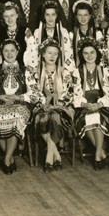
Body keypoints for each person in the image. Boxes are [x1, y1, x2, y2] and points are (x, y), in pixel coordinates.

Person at [0, 40, 40, 174]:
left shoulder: (26, 70)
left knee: (16, 116)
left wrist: (19, 98)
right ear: (1, 52)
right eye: (6, 51)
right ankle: (10, 157)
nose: (9, 54)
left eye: (12, 50)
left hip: (20, 104)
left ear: (18, 52)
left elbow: (35, 93)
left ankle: (6, 158)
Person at [33, 39, 81, 173]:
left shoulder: (63, 72)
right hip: (42, 106)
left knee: (54, 116)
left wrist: (57, 104)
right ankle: (56, 155)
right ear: (43, 54)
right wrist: (43, 103)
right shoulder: (36, 72)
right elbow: (33, 91)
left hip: (61, 107)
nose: (52, 56)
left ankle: (49, 155)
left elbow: (69, 92)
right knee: (42, 117)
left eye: (55, 54)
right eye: (49, 53)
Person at [72, 39, 109, 169]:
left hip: (102, 105)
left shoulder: (106, 70)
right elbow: (75, 93)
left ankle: (97, 154)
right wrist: (86, 105)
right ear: (82, 55)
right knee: (88, 118)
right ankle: (101, 152)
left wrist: (99, 104)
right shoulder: (77, 71)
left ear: (97, 53)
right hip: (84, 105)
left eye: (92, 52)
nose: (89, 56)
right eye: (86, 53)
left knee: (97, 117)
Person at [31, 0, 76, 71]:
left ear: (57, 15)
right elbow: (34, 54)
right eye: (47, 15)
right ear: (44, 16)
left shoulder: (63, 32)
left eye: (53, 14)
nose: (50, 18)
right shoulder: (38, 32)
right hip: (42, 70)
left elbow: (68, 54)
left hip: (60, 70)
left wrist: (67, 72)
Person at [0, 1, 36, 66]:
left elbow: (32, 51)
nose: (9, 19)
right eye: (6, 16)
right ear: (3, 18)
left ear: (17, 15)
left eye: (12, 15)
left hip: (22, 69)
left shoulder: (25, 31)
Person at [70, 0, 105, 67]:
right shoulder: (72, 35)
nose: (83, 18)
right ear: (76, 17)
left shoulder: (97, 34)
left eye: (85, 15)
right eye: (80, 15)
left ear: (90, 16)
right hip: (78, 68)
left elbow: (102, 53)